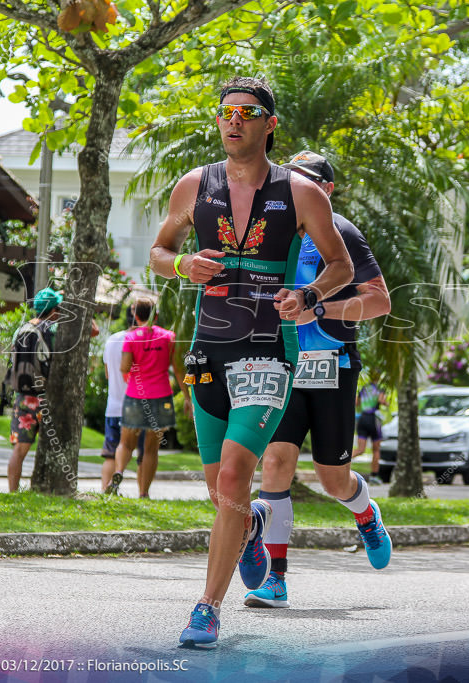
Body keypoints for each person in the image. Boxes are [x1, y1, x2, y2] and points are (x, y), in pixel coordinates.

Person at [149, 76, 353, 648]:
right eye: (225, 111)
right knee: (221, 494)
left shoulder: (302, 194)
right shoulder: (194, 185)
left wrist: (308, 296)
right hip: (208, 346)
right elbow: (158, 252)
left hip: (268, 348)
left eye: (247, 111)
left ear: (270, 123)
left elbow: (339, 266)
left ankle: (206, 609)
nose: (234, 119)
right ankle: (253, 529)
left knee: (239, 474)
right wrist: (181, 265)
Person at [243, 151, 392, 610]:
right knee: (276, 465)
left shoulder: (341, 233)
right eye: (291, 178)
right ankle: (277, 581)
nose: (295, 187)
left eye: (306, 181)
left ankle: (365, 511)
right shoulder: (270, 233)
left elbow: (380, 301)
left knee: (333, 480)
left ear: (326, 192)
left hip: (332, 365)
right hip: (281, 364)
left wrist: (321, 308)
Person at [5, 287, 98, 492]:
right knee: (55, 448)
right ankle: (51, 488)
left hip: (24, 396)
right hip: (50, 397)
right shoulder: (57, 329)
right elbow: (94, 330)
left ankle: (12, 492)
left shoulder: (21, 329)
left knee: (19, 450)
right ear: (55, 310)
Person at [104, 296, 189, 498]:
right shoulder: (169, 337)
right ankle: (144, 493)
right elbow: (178, 369)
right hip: (160, 395)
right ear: (156, 315)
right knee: (151, 449)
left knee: (126, 444)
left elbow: (124, 367)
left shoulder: (131, 338)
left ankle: (118, 473)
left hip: (135, 395)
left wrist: (136, 366)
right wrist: (187, 397)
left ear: (135, 314)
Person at [100, 306, 146, 494]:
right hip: (138, 407)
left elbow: (108, 374)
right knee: (143, 454)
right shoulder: (144, 341)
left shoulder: (111, 340)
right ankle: (143, 494)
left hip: (113, 406)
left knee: (110, 455)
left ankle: (106, 491)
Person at [353, 381, 387, 484]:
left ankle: (340, 462)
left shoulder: (364, 388)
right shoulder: (380, 387)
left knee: (360, 450)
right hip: (373, 420)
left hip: (362, 419)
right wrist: (386, 403)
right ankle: (374, 476)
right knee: (376, 450)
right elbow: (381, 400)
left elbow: (356, 403)